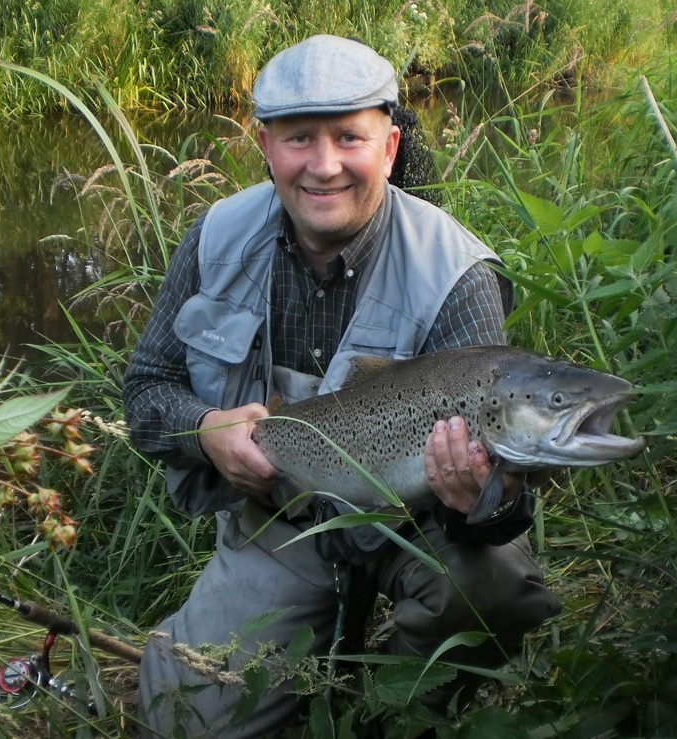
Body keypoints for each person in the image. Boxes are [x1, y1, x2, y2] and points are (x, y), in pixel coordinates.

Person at [123, 34, 561, 738]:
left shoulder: (454, 272)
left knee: (499, 587)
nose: (323, 166)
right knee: (183, 723)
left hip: (413, 527)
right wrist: (207, 430)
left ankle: (388, 715)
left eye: (348, 138)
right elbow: (145, 392)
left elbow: (505, 509)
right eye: (300, 138)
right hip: (279, 520)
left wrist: (482, 498)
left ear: (388, 146)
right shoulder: (214, 240)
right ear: (265, 146)